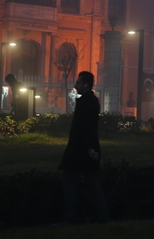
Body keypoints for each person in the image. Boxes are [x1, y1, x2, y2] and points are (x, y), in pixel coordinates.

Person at [58, 71, 110, 224]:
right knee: (91, 182)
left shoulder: (87, 102)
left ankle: (71, 216)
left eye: (79, 82)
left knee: (70, 180)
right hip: (83, 148)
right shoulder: (90, 100)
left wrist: (89, 148)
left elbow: (86, 127)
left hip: (80, 150)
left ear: (86, 84)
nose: (76, 85)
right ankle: (103, 216)